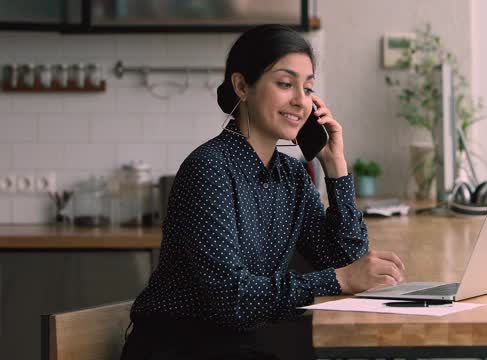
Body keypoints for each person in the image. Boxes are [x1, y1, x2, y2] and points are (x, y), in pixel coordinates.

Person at [120, 24, 405, 360]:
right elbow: (232, 298)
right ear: (242, 86)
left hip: (242, 346)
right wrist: (340, 279)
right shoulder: (209, 169)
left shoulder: (292, 174)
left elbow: (346, 260)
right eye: (285, 84)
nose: (302, 101)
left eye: (308, 87)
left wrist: (336, 166)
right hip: (181, 348)